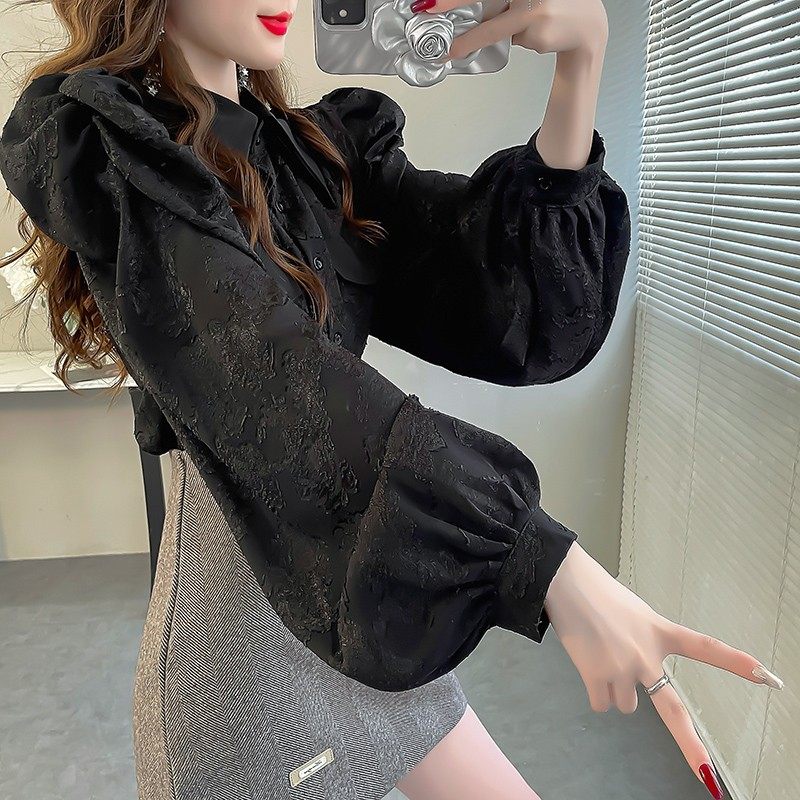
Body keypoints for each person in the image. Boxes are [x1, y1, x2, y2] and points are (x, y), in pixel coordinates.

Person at [0, 0, 781, 798]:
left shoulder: (312, 157)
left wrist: (580, 69)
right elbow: (275, 380)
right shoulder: (121, 159)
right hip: (245, 666)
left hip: (368, 603)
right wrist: (550, 564)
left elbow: (492, 289)